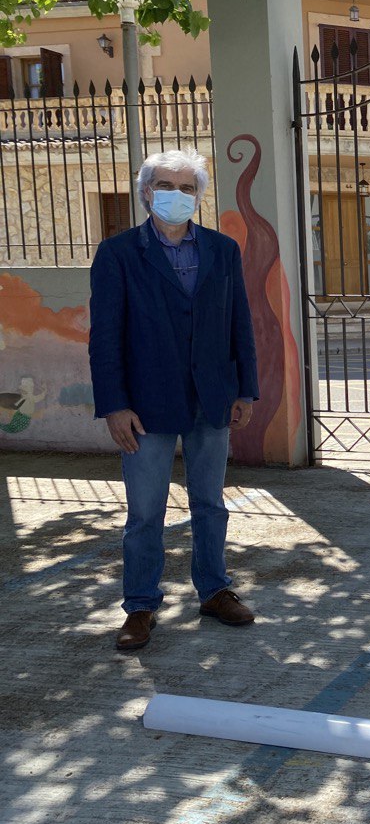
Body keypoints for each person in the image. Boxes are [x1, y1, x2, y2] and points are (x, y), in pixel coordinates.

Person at [89, 148, 259, 651]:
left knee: (210, 503)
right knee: (145, 512)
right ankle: (140, 605)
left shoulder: (223, 250)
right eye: (166, 185)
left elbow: (239, 324)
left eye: (188, 188)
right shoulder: (119, 253)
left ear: (200, 197)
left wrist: (244, 388)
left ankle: (213, 590)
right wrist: (114, 406)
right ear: (145, 193)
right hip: (145, 406)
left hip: (212, 400)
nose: (177, 196)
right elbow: (105, 337)